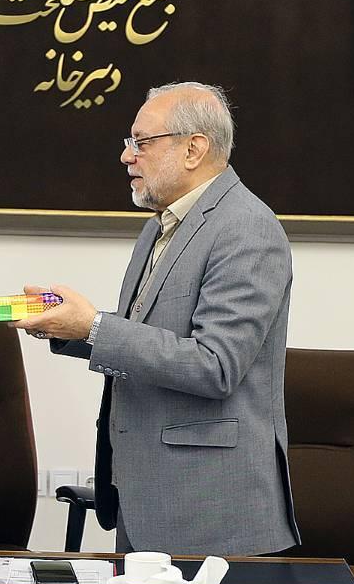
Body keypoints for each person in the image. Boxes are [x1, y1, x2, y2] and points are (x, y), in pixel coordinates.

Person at [15, 83, 300, 557]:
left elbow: (215, 365)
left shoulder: (247, 228)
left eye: (141, 142)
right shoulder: (160, 226)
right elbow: (152, 336)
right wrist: (71, 326)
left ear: (194, 149)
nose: (127, 156)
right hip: (147, 498)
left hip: (212, 514)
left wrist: (94, 326)